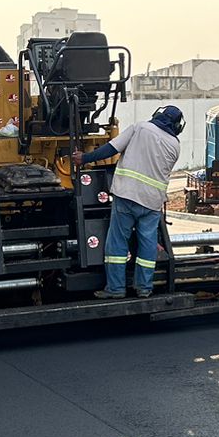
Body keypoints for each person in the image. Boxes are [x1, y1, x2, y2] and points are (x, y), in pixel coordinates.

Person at [74, 105, 183, 299]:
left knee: (117, 242)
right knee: (147, 244)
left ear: (157, 115)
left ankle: (115, 288)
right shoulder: (175, 145)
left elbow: (110, 149)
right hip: (152, 203)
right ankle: (144, 288)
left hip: (127, 196)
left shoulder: (139, 128)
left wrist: (85, 158)